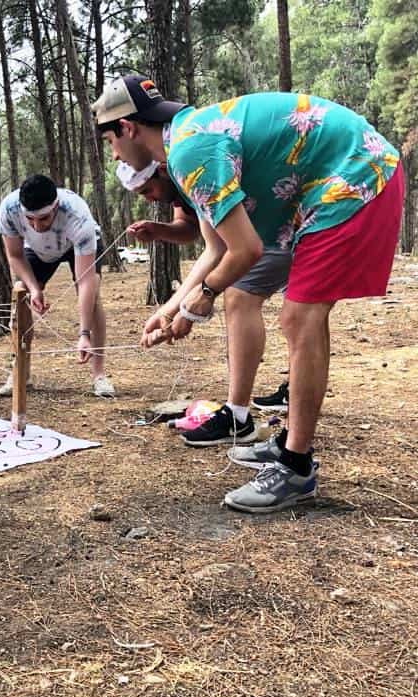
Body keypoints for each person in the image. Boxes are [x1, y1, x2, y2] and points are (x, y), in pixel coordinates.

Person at [93, 75, 403, 513]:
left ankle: (296, 467)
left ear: (126, 129)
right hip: (337, 181)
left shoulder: (189, 151)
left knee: (300, 317)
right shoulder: (189, 136)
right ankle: (286, 445)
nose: (115, 154)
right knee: (271, 306)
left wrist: (201, 302)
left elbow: (246, 250)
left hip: (355, 177)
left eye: (110, 142)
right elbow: (217, 250)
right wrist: (171, 310)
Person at [117, 160, 291, 446]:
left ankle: (239, 418)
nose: (148, 198)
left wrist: (185, 308)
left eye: (149, 189)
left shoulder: (197, 174)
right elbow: (203, 240)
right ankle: (259, 412)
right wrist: (170, 310)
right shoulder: (183, 188)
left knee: (241, 296)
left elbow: (220, 252)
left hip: (291, 222)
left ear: (163, 170)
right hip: (273, 229)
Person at [0, 174, 116, 398]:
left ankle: (99, 374)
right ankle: (20, 373)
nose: (36, 225)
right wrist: (34, 289)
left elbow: (86, 280)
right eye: (29, 219)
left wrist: (84, 333)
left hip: (75, 246)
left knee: (93, 297)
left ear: (56, 206)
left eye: (43, 218)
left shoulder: (78, 217)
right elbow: (14, 255)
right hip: (38, 250)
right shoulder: (9, 209)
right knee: (20, 294)